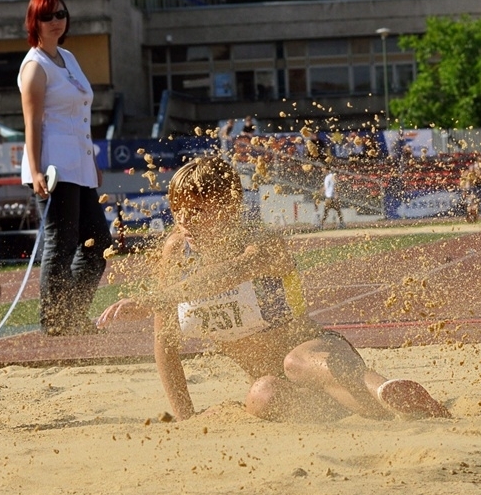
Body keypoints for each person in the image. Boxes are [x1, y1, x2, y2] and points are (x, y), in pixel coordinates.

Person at [97, 155, 449, 422]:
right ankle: (366, 409)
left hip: (320, 355)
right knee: (262, 393)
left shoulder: (262, 243)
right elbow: (166, 342)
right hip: (287, 392)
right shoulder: (176, 252)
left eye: (197, 209)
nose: (185, 220)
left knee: (296, 361)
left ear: (229, 208)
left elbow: (229, 275)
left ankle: (391, 392)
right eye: (178, 210)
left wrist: (158, 299)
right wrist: (185, 417)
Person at [18, 0, 112, 336]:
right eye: (48, 17)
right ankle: (56, 321)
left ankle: (70, 312)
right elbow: (32, 123)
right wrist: (37, 169)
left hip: (80, 163)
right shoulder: (34, 68)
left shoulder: (68, 58)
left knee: (98, 241)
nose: (56, 21)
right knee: (62, 242)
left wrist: (93, 162)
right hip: (53, 166)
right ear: (35, 23)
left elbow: (79, 116)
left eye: (60, 14)